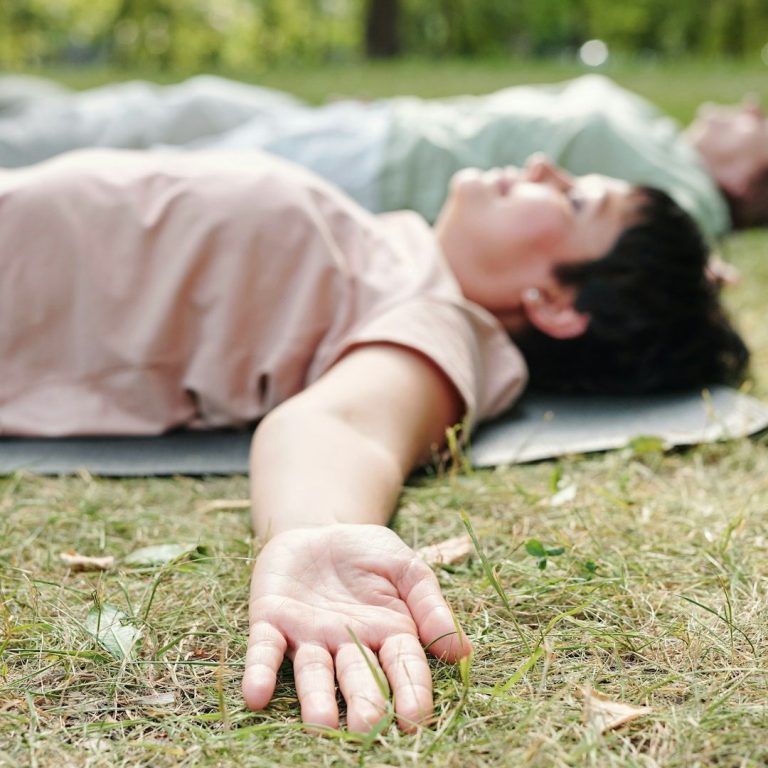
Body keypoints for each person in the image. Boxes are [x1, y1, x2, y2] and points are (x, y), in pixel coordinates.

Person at [0, 148, 747, 732]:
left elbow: (343, 423)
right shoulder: (400, 257)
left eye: (576, 197)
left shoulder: (446, 320)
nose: (544, 167)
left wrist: (320, 535)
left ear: (554, 303)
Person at [1, 73, 767, 239]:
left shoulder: (681, 197)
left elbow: (646, 251)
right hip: (379, 126)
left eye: (752, 121)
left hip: (379, 167)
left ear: (750, 176)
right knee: (181, 105)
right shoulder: (668, 154)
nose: (728, 110)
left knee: (131, 164)